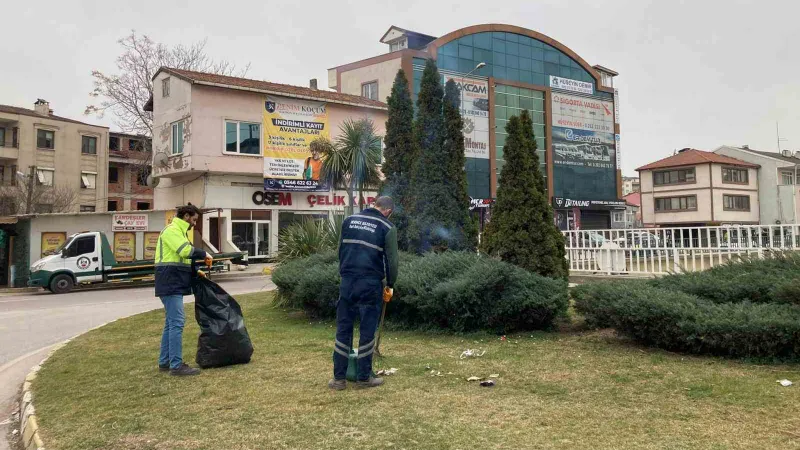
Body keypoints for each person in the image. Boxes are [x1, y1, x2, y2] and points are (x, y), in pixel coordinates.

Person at [329, 196, 399, 390]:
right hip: (370, 284)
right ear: (388, 211)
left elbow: (340, 251)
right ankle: (363, 378)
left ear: (374, 205)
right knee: (367, 330)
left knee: (343, 329)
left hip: (347, 281)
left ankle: (338, 379)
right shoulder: (387, 227)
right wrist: (390, 284)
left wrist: (345, 273)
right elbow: (392, 261)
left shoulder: (349, 221)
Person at [155, 203, 212, 376]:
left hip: (172, 281)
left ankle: (165, 362)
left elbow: (182, 259)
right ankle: (176, 366)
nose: (195, 223)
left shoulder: (179, 232)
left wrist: (197, 271)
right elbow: (184, 251)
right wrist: (204, 254)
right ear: (186, 216)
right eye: (194, 220)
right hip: (170, 282)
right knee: (177, 322)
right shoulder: (172, 230)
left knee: (170, 323)